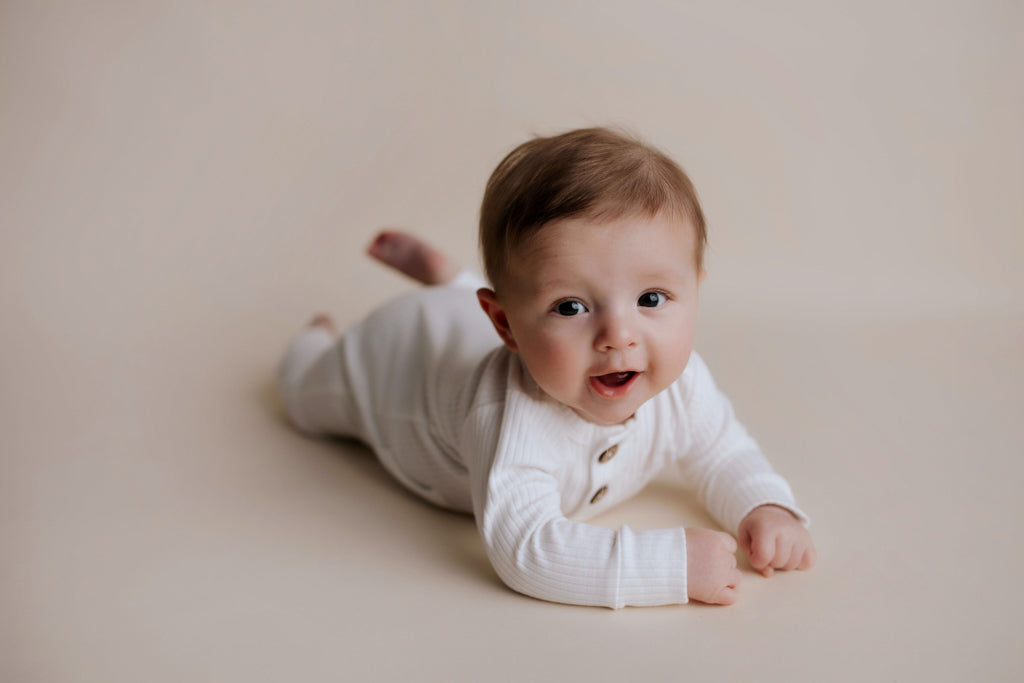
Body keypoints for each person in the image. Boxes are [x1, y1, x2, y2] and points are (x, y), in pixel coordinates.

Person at [277, 127, 815, 608]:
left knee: (521, 300)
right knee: (303, 400)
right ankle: (317, 337)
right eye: (572, 308)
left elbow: (722, 450)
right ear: (505, 325)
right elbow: (524, 549)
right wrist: (671, 565)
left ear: (695, 287)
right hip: (395, 362)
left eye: (651, 298)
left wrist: (764, 505)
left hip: (475, 323)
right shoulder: (510, 416)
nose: (619, 336)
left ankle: (454, 282)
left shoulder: (683, 381)